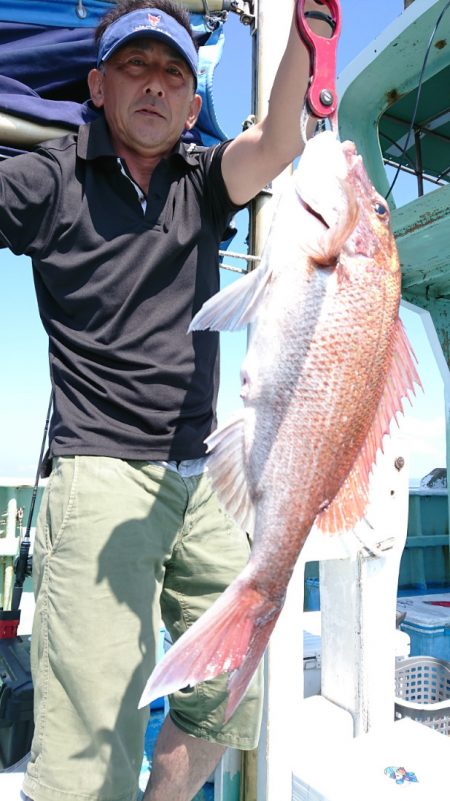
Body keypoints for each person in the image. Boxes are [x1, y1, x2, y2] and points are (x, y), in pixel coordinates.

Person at [0, 2, 333, 800]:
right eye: (135, 66)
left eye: (174, 73)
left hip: (203, 477)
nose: (155, 86)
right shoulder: (50, 178)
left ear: (191, 102)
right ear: (98, 83)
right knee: (90, 741)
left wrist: (309, 35)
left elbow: (282, 142)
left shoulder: (202, 179)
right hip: (99, 471)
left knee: (232, 684)